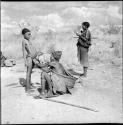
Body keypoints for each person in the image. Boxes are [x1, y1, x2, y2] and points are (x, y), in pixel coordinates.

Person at [22, 28, 39, 93]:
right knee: (28, 73)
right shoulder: (24, 41)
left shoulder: (29, 41)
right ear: (24, 35)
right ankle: (27, 89)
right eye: (28, 34)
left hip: (33, 58)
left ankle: (29, 85)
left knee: (30, 72)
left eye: (30, 34)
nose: (29, 36)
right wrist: (25, 61)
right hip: (29, 58)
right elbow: (23, 51)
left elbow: (32, 49)